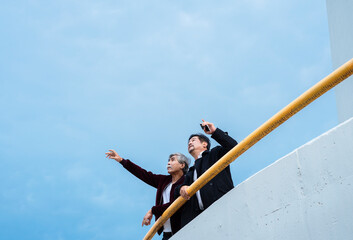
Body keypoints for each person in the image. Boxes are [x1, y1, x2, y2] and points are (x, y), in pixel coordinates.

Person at [105, 150, 190, 240]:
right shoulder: (164, 181)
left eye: (172, 160)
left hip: (183, 229)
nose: (168, 163)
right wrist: (122, 160)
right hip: (166, 233)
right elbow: (143, 174)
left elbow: (176, 204)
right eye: (168, 160)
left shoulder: (186, 182)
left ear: (182, 165)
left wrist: (152, 210)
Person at [175, 119, 238, 227]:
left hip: (223, 210)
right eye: (188, 142)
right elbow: (177, 192)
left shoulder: (215, 154)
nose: (190, 142)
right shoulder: (191, 171)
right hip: (201, 221)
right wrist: (182, 188)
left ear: (204, 144)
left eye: (193, 140)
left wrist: (214, 131)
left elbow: (233, 147)